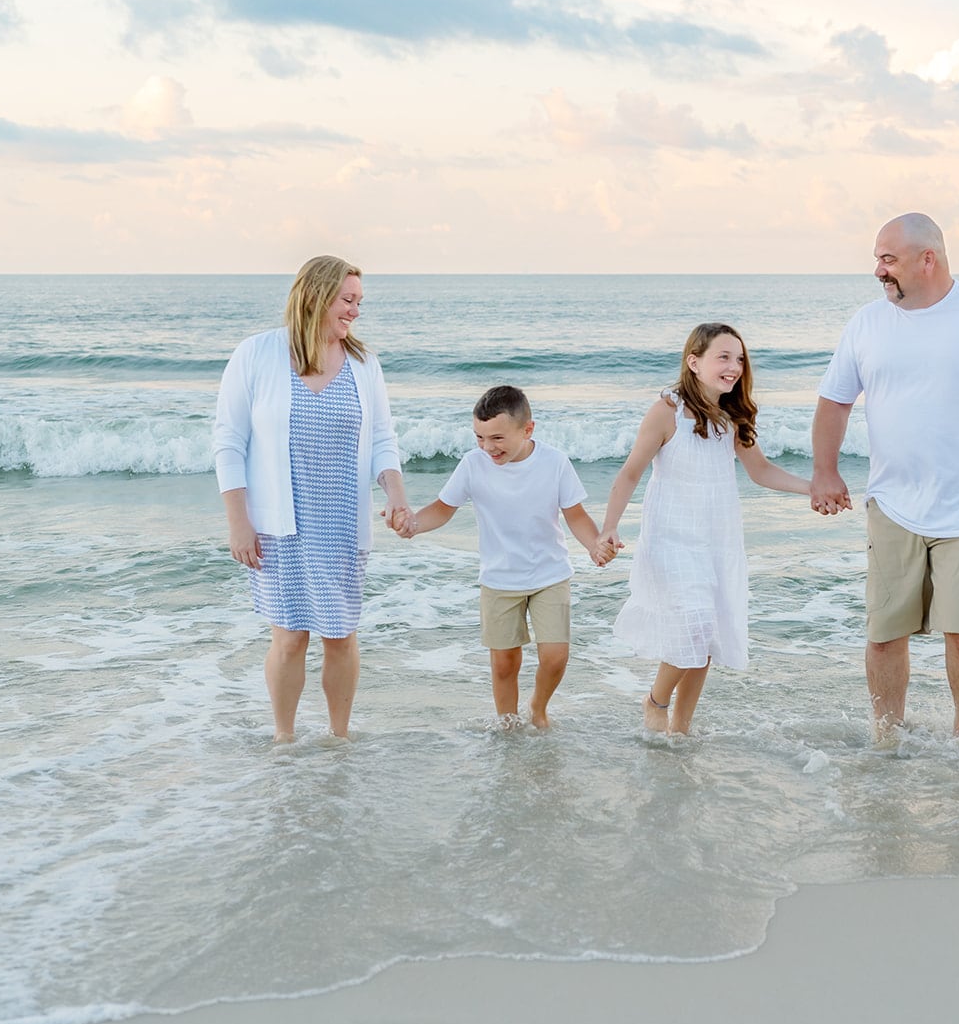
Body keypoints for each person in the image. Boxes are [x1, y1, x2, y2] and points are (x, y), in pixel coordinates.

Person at [810, 213, 959, 738]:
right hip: (892, 505)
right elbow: (834, 402)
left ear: (927, 259)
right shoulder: (867, 323)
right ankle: (887, 737)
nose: (878, 270)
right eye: (877, 259)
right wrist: (825, 471)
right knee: (884, 633)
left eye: (888, 259)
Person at [212, 255, 410, 743]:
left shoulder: (364, 364)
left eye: (359, 302)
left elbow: (383, 439)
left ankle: (339, 740)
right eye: (348, 300)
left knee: (341, 636)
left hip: (342, 524)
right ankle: (284, 741)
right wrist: (238, 522)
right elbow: (228, 442)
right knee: (289, 637)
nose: (355, 311)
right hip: (280, 525)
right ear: (316, 297)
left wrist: (397, 496)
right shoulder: (256, 354)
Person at [598, 323, 812, 735]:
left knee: (707, 636)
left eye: (739, 359)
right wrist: (609, 527)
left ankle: (681, 727)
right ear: (694, 362)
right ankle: (655, 701)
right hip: (671, 540)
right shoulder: (668, 412)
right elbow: (630, 473)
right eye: (723, 357)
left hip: (717, 540)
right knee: (694, 625)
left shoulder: (732, 416)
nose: (734, 367)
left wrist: (813, 489)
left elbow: (761, 471)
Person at [393, 385, 611, 729]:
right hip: (499, 578)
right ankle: (508, 725)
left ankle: (538, 706)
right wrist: (414, 525)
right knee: (504, 663)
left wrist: (594, 544)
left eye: (497, 438)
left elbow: (576, 515)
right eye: (479, 437)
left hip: (550, 574)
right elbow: (443, 508)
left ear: (527, 430)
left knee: (555, 656)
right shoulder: (472, 464)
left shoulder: (554, 462)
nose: (487, 447)